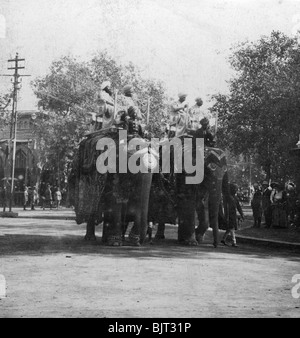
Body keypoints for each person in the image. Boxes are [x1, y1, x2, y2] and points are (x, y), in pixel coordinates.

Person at [221, 182, 244, 247]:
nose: (236, 190)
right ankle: (234, 242)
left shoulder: (234, 198)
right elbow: (226, 207)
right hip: (229, 215)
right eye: (235, 189)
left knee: (230, 228)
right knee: (232, 228)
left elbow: (238, 206)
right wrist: (226, 216)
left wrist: (242, 214)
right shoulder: (228, 198)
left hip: (233, 215)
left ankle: (223, 239)